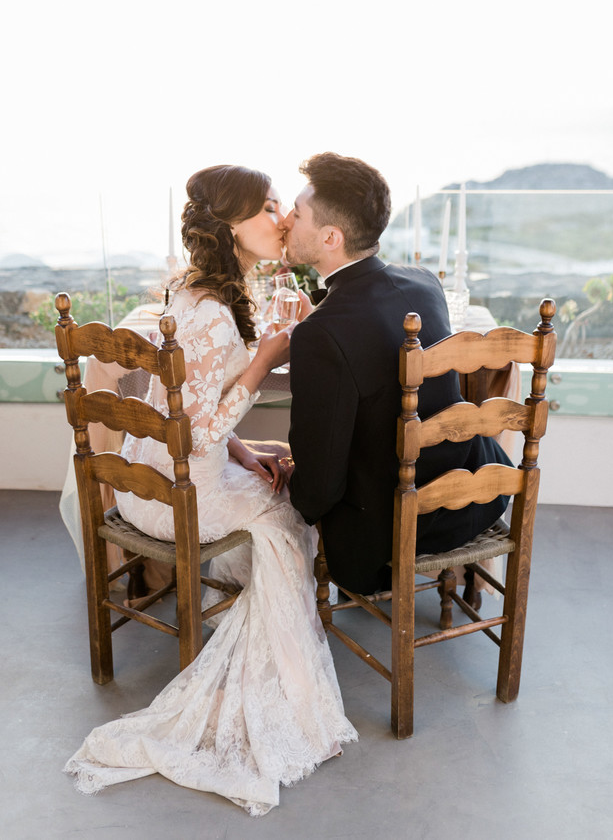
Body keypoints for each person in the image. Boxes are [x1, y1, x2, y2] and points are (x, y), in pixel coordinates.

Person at [64, 164, 357, 816]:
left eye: (283, 204)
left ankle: (243, 619)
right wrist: (265, 359)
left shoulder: (190, 288)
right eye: (266, 208)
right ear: (229, 227)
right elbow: (197, 435)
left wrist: (249, 452)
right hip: (176, 497)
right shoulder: (221, 316)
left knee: (274, 471)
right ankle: (295, 692)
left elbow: (191, 411)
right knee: (295, 513)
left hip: (145, 479)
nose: (280, 217)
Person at [283, 152, 512, 596]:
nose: (286, 222)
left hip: (391, 530)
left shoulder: (319, 334)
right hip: (477, 494)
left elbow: (318, 487)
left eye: (296, 214)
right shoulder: (424, 281)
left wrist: (291, 485)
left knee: (283, 498)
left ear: (331, 236)